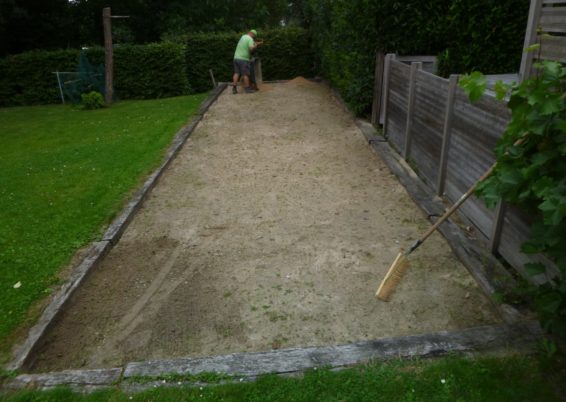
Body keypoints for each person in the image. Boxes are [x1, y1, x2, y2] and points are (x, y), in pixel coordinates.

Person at [232, 29, 263, 94]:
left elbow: (248, 44)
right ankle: (247, 89)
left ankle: (234, 88)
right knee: (245, 74)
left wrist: (257, 43)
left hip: (236, 58)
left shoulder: (243, 37)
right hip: (243, 59)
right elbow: (251, 48)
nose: (253, 38)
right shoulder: (250, 39)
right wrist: (256, 46)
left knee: (236, 73)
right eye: (254, 36)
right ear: (253, 34)